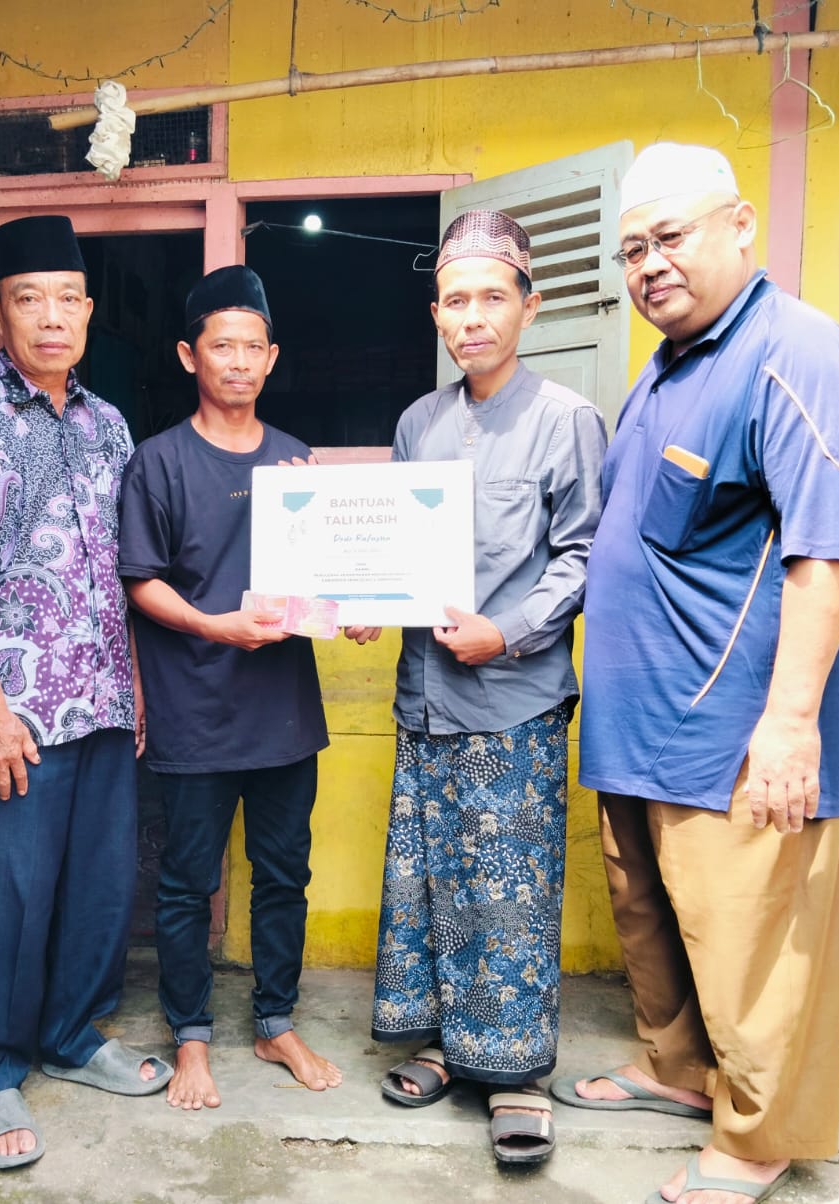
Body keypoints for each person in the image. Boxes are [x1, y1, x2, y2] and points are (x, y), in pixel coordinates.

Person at [556, 143, 839, 1204]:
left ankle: (757, 1136)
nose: (648, 265)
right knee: (654, 915)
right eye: (631, 250)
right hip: (640, 722)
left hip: (731, 729)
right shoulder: (669, 363)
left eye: (670, 237)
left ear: (740, 225)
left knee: (750, 942)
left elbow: (824, 554)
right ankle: (679, 1069)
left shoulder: (796, 351)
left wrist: (790, 722)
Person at [0, 214, 169, 1172]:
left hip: (100, 699)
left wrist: (133, 684)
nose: (51, 317)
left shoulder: (110, 426)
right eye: (29, 299)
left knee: (100, 886)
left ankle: (69, 1034)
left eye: (67, 298)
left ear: (89, 311)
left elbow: (118, 570)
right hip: (10, 709)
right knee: (4, 897)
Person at [360, 210, 607, 1166]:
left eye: (492, 298)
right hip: (423, 698)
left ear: (528, 307)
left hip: (513, 699)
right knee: (428, 880)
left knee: (508, 892)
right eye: (455, 300)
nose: (473, 317)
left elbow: (583, 556)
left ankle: (517, 1073)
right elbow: (392, 548)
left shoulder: (566, 421)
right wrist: (367, 601)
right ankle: (443, 1045)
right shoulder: (417, 423)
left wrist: (508, 631)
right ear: (436, 314)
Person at [118, 266, 342, 1112]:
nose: (239, 362)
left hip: (283, 712)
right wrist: (216, 627)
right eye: (223, 347)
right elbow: (141, 582)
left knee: (285, 874)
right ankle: (191, 1036)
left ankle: (276, 1021)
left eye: (254, 347)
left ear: (272, 357)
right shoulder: (158, 463)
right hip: (196, 710)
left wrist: (348, 612)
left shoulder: (296, 460)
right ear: (191, 356)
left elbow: (319, 583)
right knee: (187, 883)